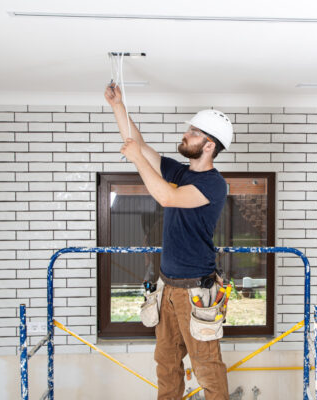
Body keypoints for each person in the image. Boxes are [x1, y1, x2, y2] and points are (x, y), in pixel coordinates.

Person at [105, 84, 233, 400]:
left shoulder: (214, 185)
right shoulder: (178, 170)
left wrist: (137, 160)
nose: (185, 134)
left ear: (209, 145)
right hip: (168, 289)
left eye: (193, 132)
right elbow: (138, 144)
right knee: (166, 365)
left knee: (207, 370)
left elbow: (167, 196)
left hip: (196, 292)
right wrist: (118, 107)